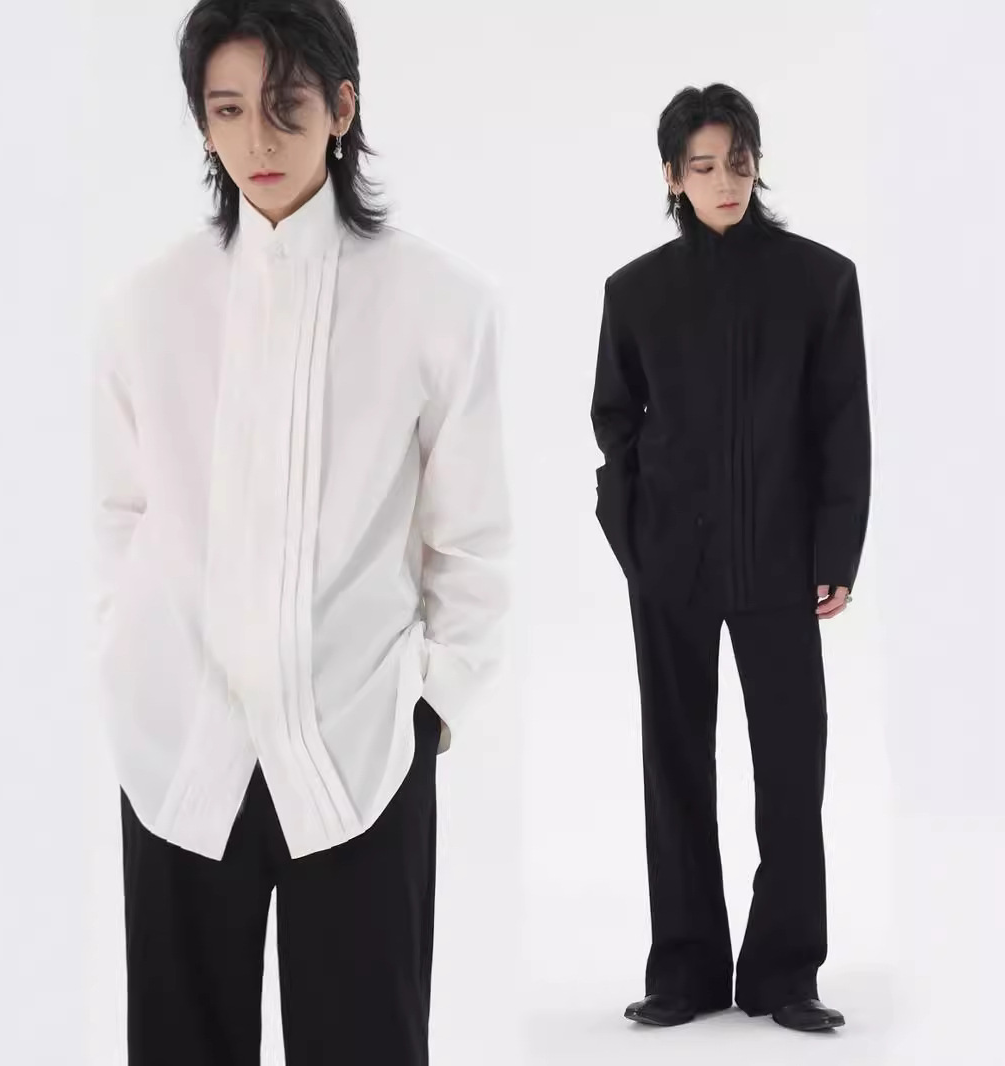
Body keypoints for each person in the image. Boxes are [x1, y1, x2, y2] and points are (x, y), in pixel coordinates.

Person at [89, 1, 510, 1062]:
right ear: (202, 121)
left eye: (285, 104)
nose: (258, 139)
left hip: (363, 750)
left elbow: (471, 538)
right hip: (180, 751)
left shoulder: (440, 302)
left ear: (342, 107)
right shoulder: (146, 306)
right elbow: (119, 516)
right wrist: (127, 660)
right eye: (227, 109)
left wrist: (432, 707)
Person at [591, 83, 871, 1033]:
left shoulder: (820, 282)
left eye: (738, 163)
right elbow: (614, 420)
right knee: (674, 762)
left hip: (782, 560)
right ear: (673, 175)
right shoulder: (634, 292)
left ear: (758, 165)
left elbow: (842, 425)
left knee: (791, 765)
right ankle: (687, 970)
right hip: (669, 562)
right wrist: (631, 533)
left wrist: (836, 550)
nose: (724, 182)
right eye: (703, 166)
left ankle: (786, 974)